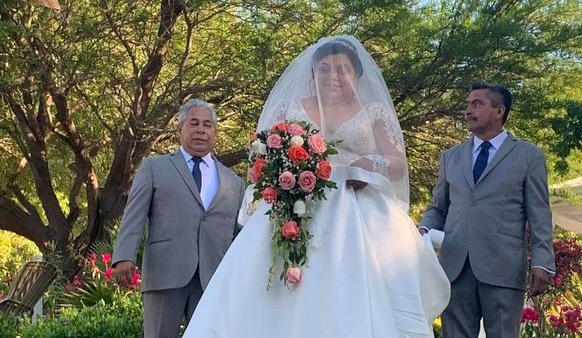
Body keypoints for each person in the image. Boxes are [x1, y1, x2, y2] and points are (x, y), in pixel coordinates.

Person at [183, 36, 450, 338]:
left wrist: (365, 163)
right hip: (294, 207)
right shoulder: (290, 107)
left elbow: (397, 162)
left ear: (357, 75)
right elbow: (261, 159)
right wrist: (286, 171)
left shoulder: (374, 111)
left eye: (342, 69)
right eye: (324, 69)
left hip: (360, 209)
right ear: (313, 74)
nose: (333, 76)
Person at [419, 82, 555, 338]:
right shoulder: (451, 157)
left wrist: (542, 262)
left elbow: (539, 213)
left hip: (503, 267)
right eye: (468, 104)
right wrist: (424, 227)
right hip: (455, 267)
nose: (468, 110)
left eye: (477, 104)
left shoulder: (528, 156)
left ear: (499, 111)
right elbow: (439, 207)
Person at [112, 99, 244, 338]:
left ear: (214, 131)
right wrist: (123, 256)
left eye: (207, 125)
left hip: (211, 279)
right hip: (165, 274)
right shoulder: (154, 167)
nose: (201, 130)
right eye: (194, 123)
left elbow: (237, 234)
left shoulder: (233, 181)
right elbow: (134, 214)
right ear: (180, 129)